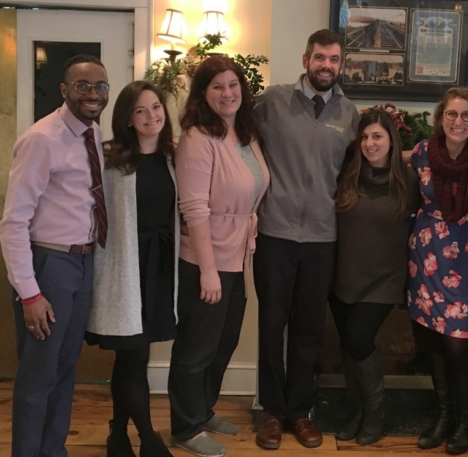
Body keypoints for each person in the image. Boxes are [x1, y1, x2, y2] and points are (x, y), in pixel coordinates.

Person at [253, 29, 359, 450]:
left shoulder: (349, 114)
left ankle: (299, 411)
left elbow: (356, 170)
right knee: (271, 326)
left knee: (309, 330)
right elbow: (235, 136)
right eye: (319, 57)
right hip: (274, 233)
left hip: (322, 238)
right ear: (305, 60)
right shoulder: (271, 102)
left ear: (341, 65)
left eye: (333, 59)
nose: (325, 65)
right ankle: (271, 412)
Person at [0, 54, 109, 457]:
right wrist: (29, 293)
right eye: (83, 85)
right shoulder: (42, 139)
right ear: (64, 90)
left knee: (65, 368)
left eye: (101, 86)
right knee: (38, 374)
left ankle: (53, 451)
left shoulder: (93, 133)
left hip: (83, 262)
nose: (93, 93)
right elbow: (13, 221)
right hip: (49, 265)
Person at [168, 55, 270, 457]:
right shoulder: (197, 138)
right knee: (196, 349)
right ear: (203, 93)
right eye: (217, 86)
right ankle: (185, 427)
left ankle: (202, 409)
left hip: (237, 257)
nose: (227, 93)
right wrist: (207, 271)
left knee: (223, 342)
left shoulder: (245, 133)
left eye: (233, 85)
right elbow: (193, 208)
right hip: (205, 260)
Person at [85, 80, 178, 457]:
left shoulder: (173, 157)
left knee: (134, 357)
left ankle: (118, 435)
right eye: (140, 110)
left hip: (158, 269)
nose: (151, 115)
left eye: (156, 107)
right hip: (123, 270)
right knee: (132, 354)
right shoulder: (111, 160)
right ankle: (148, 440)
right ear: (127, 118)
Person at [407, 87, 468, 454]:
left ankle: (466, 419)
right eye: (451, 114)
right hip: (427, 255)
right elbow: (381, 161)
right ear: (441, 117)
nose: (458, 121)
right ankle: (443, 416)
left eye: (466, 115)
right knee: (432, 341)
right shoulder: (422, 152)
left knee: (459, 345)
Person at [330, 110, 419, 446]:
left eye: (377, 136)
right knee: (348, 344)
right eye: (365, 136)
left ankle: (376, 414)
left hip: (385, 279)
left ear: (392, 141)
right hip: (343, 276)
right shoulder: (347, 174)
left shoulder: (410, 181)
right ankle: (357, 412)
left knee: (358, 339)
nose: (370, 143)